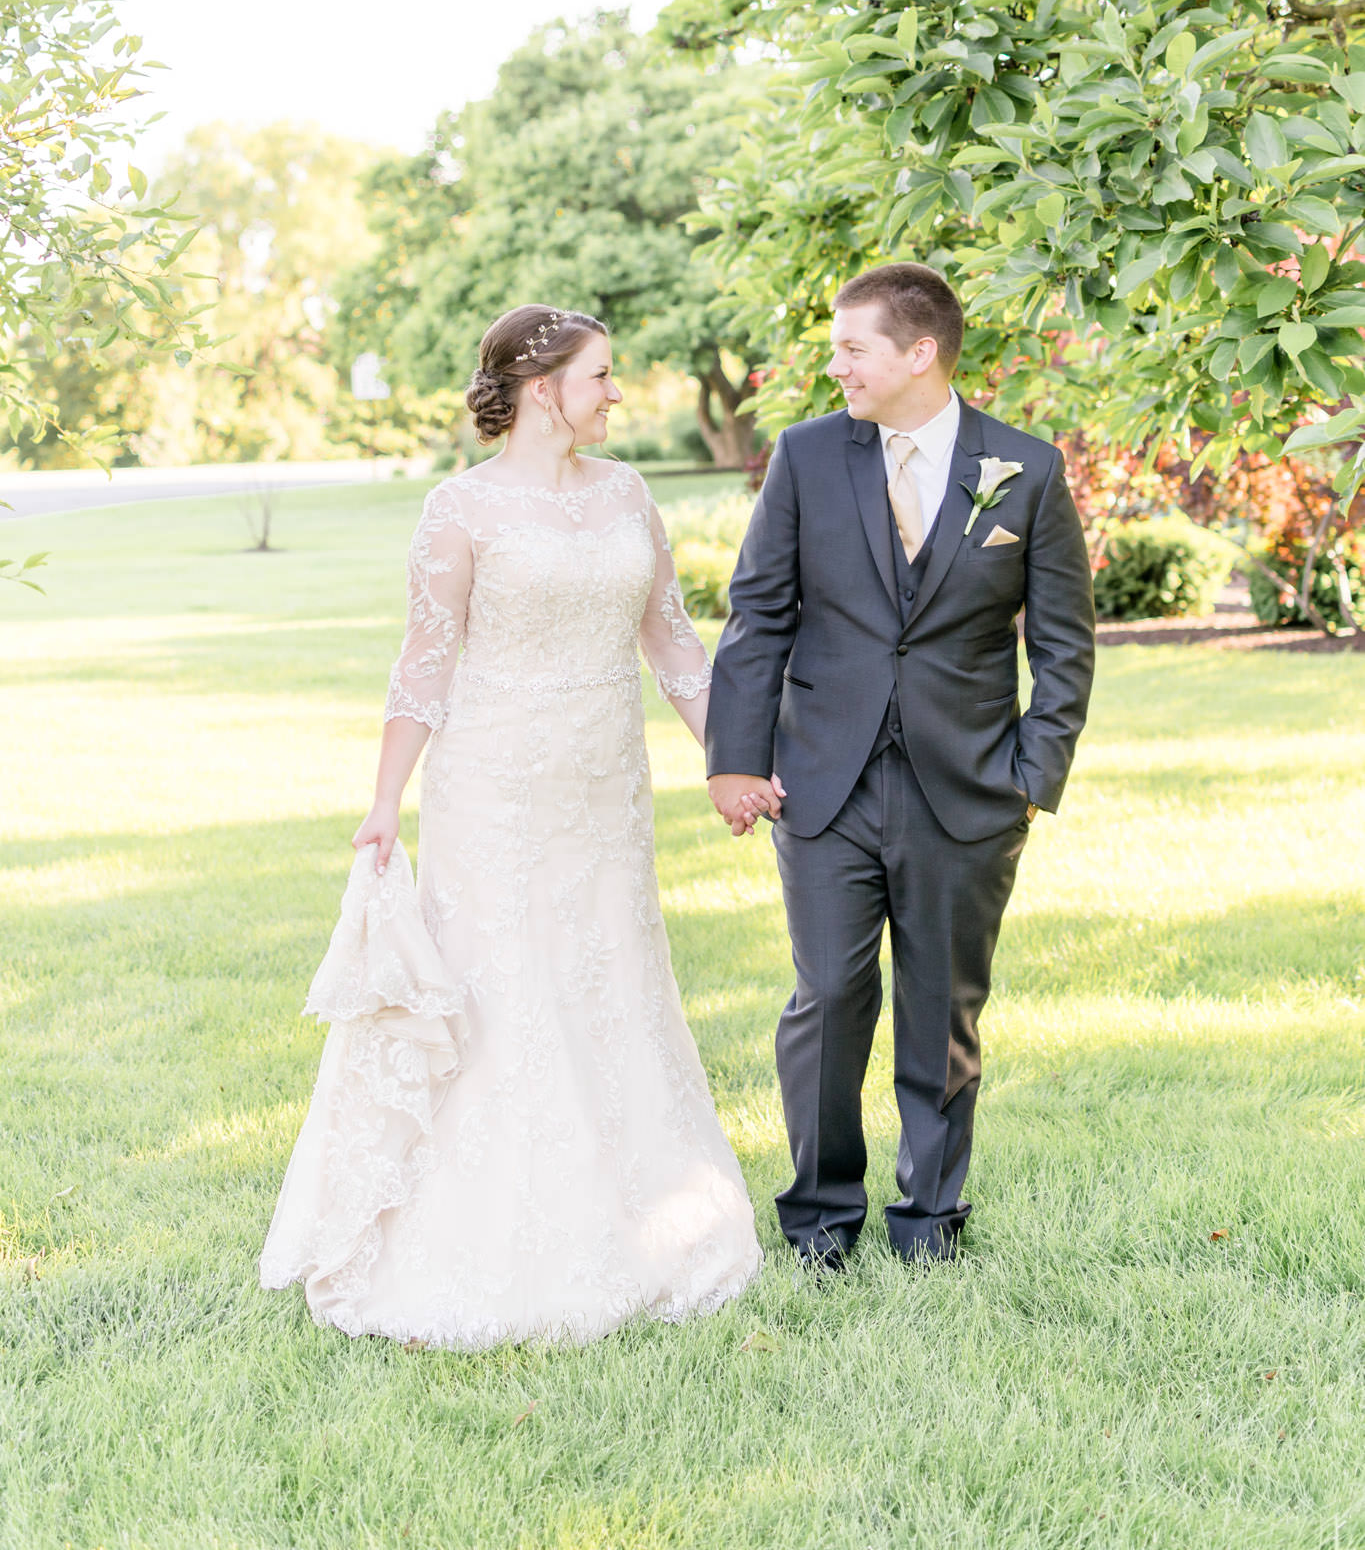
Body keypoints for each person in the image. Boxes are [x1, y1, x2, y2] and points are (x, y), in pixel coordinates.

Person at [261, 305, 761, 1348]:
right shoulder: (460, 510)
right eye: (601, 376)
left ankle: (644, 1212)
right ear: (544, 389)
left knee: (611, 972)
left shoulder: (628, 494)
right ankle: (485, 1233)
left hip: (604, 791)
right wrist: (384, 798)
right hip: (492, 790)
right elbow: (425, 661)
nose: (616, 394)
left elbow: (673, 645)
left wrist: (731, 759)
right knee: (506, 990)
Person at [706, 263, 1094, 1268]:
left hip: (968, 791)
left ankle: (930, 1224)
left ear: (919, 353)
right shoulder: (804, 456)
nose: (835, 365)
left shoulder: (1026, 470)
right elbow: (758, 618)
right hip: (823, 782)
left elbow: (1064, 645)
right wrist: (735, 760)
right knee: (828, 997)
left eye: (852, 348)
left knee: (945, 1006)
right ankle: (821, 1217)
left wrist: (1029, 775)